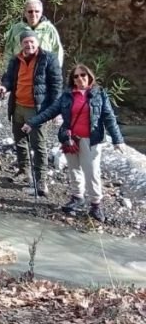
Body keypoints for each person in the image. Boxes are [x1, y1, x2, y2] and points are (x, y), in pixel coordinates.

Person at [24, 65, 126, 222]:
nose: (80, 78)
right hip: (70, 138)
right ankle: (77, 197)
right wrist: (32, 122)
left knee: (91, 172)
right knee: (74, 170)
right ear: (72, 80)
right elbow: (50, 111)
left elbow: (109, 118)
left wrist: (118, 140)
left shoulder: (99, 95)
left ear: (89, 76)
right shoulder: (67, 96)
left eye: (83, 75)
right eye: (76, 76)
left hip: (91, 140)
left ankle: (95, 204)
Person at [0, 31, 63, 195]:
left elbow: (56, 85)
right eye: (26, 42)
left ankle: (41, 181)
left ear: (37, 42)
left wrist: (56, 110)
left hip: (37, 109)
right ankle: (23, 171)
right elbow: (9, 78)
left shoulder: (48, 59)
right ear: (21, 44)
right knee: (19, 141)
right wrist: (4, 87)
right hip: (18, 105)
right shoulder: (16, 59)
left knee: (39, 145)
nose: (29, 45)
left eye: (32, 42)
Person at [3, 0, 65, 66]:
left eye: (37, 11)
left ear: (41, 12)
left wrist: (55, 71)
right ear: (25, 13)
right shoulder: (16, 29)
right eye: (30, 11)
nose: (33, 14)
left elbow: (57, 52)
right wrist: (8, 72)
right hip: (20, 73)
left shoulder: (49, 29)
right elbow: (8, 53)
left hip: (44, 73)